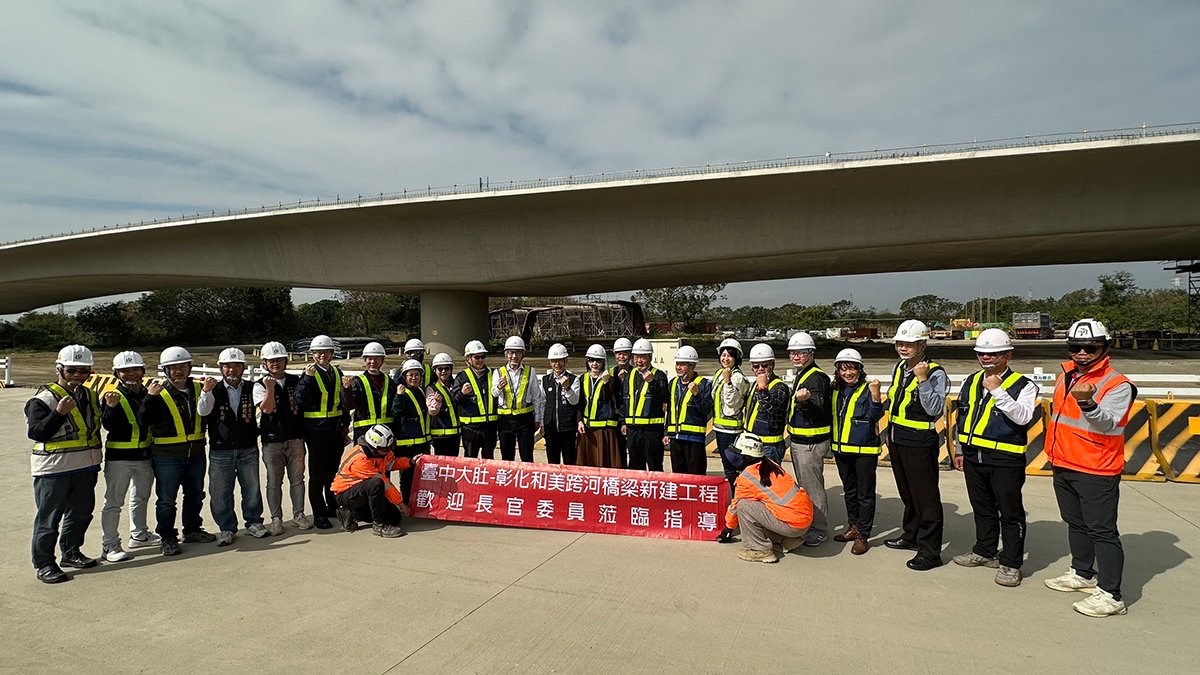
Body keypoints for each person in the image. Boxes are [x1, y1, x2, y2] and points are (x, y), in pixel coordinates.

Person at [1044, 318, 1136, 618]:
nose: (1082, 352)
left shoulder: (1117, 384)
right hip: (1064, 462)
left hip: (1096, 468)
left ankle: (1111, 595)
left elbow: (1109, 421)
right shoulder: (1066, 375)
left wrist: (1088, 404)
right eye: (1076, 347)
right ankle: (1082, 573)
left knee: (1103, 532)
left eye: (1090, 347)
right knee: (1076, 523)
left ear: (1104, 347)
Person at [952, 329, 1038, 588]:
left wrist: (999, 391)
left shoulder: (1024, 385)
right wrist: (958, 449)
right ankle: (984, 550)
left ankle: (1011, 563)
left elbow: (1023, 417)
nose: (986, 358)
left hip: (1005, 459)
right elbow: (962, 417)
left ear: (1007, 355)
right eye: (982, 354)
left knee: (1010, 513)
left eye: (993, 354)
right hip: (973, 455)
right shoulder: (971, 381)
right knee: (982, 507)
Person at [25, 345, 103, 583]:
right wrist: (58, 413)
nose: (78, 375)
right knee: (49, 519)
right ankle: (44, 564)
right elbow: (37, 432)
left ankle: (71, 552)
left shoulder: (89, 395)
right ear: (60, 369)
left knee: (81, 513)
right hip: (54, 469)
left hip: (85, 466)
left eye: (84, 370)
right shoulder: (43, 398)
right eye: (72, 370)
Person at [139, 346, 218, 556]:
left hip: (196, 454)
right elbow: (143, 420)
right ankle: (167, 537)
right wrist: (149, 398)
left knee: (195, 495)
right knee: (166, 500)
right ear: (165, 370)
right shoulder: (158, 392)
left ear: (189, 366)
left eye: (182, 366)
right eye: (173, 368)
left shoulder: (200, 388)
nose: (178, 371)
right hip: (167, 457)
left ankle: (192, 529)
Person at [884, 319, 949, 571]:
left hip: (920, 440)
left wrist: (922, 380)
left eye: (909, 344)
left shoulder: (934, 372)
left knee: (926, 496)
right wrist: (890, 432)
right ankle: (911, 535)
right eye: (900, 343)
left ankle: (930, 551)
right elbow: (895, 401)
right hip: (899, 437)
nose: (904, 348)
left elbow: (934, 409)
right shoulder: (899, 368)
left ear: (922, 344)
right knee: (908, 492)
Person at [204, 348, 268, 546]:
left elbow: (263, 406)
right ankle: (226, 528)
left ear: (243, 367)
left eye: (236, 366)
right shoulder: (213, 389)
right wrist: (206, 391)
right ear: (221, 368)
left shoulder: (252, 387)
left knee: (251, 487)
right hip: (220, 449)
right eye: (227, 366)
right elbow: (203, 411)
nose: (232, 370)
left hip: (247, 446)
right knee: (220, 491)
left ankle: (254, 522)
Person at [98, 351, 158, 563]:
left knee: (141, 497)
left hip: (144, 456)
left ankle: (139, 534)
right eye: (125, 371)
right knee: (114, 502)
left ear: (142, 371)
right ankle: (110, 544)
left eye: (135, 370)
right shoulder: (112, 396)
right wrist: (111, 409)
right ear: (117, 374)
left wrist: (150, 397)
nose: (131, 374)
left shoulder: (147, 393)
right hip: (119, 458)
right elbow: (108, 425)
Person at [724, 433, 814, 563]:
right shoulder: (768, 463)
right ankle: (785, 540)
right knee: (763, 504)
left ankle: (760, 550)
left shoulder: (747, 477)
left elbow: (735, 507)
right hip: (803, 519)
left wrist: (728, 529)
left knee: (744, 506)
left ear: (747, 457)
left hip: (793, 524)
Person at [829, 348, 884, 556]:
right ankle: (853, 526)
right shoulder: (835, 390)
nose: (847, 373)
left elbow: (875, 415)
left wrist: (876, 397)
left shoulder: (868, 389)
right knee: (850, 491)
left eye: (851, 368)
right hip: (841, 449)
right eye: (843, 369)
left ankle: (863, 535)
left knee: (865, 494)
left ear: (860, 370)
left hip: (864, 451)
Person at [254, 341, 311, 535]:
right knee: (274, 481)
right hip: (272, 440)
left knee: (297, 479)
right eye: (271, 361)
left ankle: (299, 514)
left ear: (286, 361)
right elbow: (267, 409)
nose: (275, 363)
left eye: (279, 360)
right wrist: (269, 388)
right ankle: (276, 518)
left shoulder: (296, 382)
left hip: (296, 438)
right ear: (265, 363)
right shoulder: (259, 385)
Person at [294, 334, 351, 530]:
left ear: (332, 353)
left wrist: (345, 423)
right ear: (313, 354)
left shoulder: (336, 372)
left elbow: (342, 401)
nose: (322, 355)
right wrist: (308, 380)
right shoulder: (308, 374)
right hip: (315, 430)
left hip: (334, 430)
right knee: (317, 474)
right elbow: (300, 399)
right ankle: (318, 513)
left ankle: (332, 505)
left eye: (326, 352)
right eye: (318, 352)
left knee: (332, 472)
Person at [785, 332, 833, 547]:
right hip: (801, 441)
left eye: (800, 353)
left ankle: (819, 529)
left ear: (811, 353)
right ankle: (809, 523)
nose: (795, 357)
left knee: (813, 488)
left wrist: (804, 402)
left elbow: (816, 409)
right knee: (805, 487)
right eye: (792, 353)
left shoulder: (816, 378)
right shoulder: (803, 374)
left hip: (810, 444)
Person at [331, 424, 413, 538]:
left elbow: (391, 463)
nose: (389, 450)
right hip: (346, 494)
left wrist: (410, 462)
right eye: (386, 449)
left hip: (364, 492)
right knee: (376, 483)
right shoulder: (360, 459)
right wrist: (401, 503)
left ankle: (352, 513)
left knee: (395, 517)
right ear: (374, 448)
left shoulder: (381, 450)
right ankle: (379, 526)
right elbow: (384, 484)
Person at [712, 338, 750, 544]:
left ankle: (738, 515)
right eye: (723, 354)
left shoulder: (737, 378)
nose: (725, 358)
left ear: (736, 358)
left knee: (735, 475)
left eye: (729, 355)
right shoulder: (719, 373)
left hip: (731, 432)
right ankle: (735, 511)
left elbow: (732, 404)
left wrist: (727, 382)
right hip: (719, 429)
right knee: (729, 473)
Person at [492, 336, 544, 462]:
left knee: (526, 455)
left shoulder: (530, 371)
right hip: (505, 420)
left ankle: (527, 480)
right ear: (505, 354)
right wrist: (499, 387)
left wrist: (538, 419)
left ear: (523, 354)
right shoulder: (498, 372)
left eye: (517, 352)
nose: (514, 356)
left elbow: (537, 397)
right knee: (507, 456)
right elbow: (494, 393)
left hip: (525, 419)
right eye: (510, 352)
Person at [664, 345, 713, 475]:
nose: (678, 368)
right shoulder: (673, 384)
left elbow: (706, 410)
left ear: (692, 366)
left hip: (694, 440)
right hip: (676, 438)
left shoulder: (704, 384)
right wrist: (666, 432)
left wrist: (696, 394)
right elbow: (670, 410)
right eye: (677, 364)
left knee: (696, 475)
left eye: (682, 364)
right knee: (679, 475)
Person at [623, 338, 669, 471]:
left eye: (643, 357)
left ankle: (656, 491)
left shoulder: (659, 375)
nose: (639, 361)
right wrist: (623, 421)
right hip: (633, 431)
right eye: (636, 357)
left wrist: (652, 382)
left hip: (652, 431)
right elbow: (624, 400)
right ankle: (637, 491)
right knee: (635, 466)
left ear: (650, 357)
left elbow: (663, 397)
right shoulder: (629, 375)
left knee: (654, 465)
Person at [576, 344, 623, 468]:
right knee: (587, 462)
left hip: (604, 429)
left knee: (605, 462)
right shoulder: (582, 378)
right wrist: (579, 420)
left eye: (598, 360)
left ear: (603, 362)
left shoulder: (612, 380)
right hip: (587, 428)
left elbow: (607, 398)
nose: (594, 364)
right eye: (591, 360)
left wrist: (606, 383)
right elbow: (581, 402)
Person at [451, 340, 498, 460]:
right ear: (469, 358)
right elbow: (454, 401)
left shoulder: (493, 373)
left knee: (488, 461)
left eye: (483, 356)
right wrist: (462, 393)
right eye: (477, 357)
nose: (480, 360)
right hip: (470, 429)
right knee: (470, 461)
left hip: (490, 427)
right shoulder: (462, 377)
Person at [391, 359, 431, 500]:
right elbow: (395, 412)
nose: (414, 378)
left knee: (421, 476)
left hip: (422, 442)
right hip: (406, 444)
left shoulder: (420, 391)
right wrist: (399, 397)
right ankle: (407, 503)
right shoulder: (402, 393)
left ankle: (417, 502)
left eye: (417, 375)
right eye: (410, 375)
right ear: (405, 376)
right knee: (407, 477)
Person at [744, 344, 790, 464]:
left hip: (770, 447)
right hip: (752, 444)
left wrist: (763, 389)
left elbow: (772, 409)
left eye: (764, 365)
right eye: (755, 366)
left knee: (769, 481)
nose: (760, 369)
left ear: (772, 365)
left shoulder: (779, 387)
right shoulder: (755, 385)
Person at [343, 341, 394, 445]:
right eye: (369, 358)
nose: (373, 362)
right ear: (365, 360)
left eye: (376, 358)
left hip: (386, 432)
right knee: (364, 461)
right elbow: (349, 405)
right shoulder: (358, 382)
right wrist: (346, 390)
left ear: (382, 360)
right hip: (364, 434)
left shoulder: (389, 381)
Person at [540, 343, 581, 465]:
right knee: (553, 462)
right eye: (554, 361)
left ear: (566, 361)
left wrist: (567, 388)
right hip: (550, 428)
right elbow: (542, 403)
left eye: (560, 361)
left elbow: (575, 401)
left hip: (567, 428)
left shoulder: (574, 379)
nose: (557, 364)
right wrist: (542, 423)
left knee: (570, 462)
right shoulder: (545, 380)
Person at [426, 352, 461, 457]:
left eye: (446, 369)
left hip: (455, 434)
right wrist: (437, 403)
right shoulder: (431, 388)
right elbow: (432, 412)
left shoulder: (456, 385)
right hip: (440, 435)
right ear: (435, 371)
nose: (443, 372)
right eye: (440, 369)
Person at [610, 337, 635, 467]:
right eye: (618, 353)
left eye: (624, 353)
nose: (621, 356)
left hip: (630, 419)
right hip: (614, 418)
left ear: (630, 355)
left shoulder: (635, 373)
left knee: (633, 451)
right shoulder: (610, 373)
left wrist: (625, 381)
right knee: (618, 451)